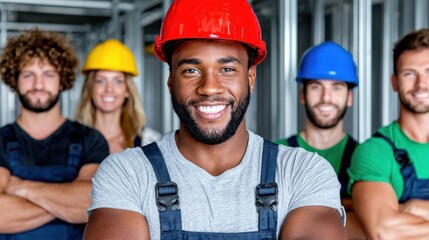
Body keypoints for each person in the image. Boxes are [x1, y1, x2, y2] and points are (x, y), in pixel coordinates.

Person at [83, 0, 347, 239]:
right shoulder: (127, 173)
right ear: (171, 81)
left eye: (227, 69)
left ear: (250, 78)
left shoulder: (303, 173)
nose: (210, 87)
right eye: (191, 70)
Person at [0, 29, 109, 240]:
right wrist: (68, 203)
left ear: (62, 80)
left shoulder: (90, 140)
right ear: (15, 79)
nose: (38, 85)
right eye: (28, 74)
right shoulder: (1, 140)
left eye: (48, 74)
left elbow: (93, 203)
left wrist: (18, 187)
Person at [276, 41, 365, 239]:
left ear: (349, 97)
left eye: (337, 87)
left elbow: (374, 226)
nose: (326, 98)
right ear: (303, 95)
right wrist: (350, 206)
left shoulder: (366, 156)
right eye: (316, 87)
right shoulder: (277, 153)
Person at [348, 28, 429, 239]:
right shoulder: (375, 151)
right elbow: (384, 230)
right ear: (395, 81)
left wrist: (411, 208)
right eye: (409, 73)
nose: (421, 84)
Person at [75, 39, 161, 153]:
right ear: (90, 88)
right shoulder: (71, 141)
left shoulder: (149, 141)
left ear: (127, 90)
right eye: (100, 81)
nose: (109, 89)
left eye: (118, 81)